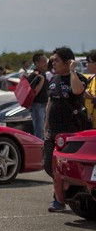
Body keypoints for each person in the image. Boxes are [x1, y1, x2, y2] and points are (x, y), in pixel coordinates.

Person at [45, 47, 87, 211]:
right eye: (52, 60)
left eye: (56, 60)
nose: (53, 63)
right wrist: (46, 125)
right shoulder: (53, 79)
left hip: (71, 130)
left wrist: (73, 71)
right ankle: (65, 192)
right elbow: (50, 103)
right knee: (49, 165)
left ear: (67, 62)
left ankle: (59, 199)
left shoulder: (77, 77)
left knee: (65, 166)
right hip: (53, 130)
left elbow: (77, 90)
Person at [27, 52, 49, 140]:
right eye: (43, 61)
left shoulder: (42, 73)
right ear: (36, 63)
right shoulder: (35, 75)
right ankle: (40, 150)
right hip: (38, 106)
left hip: (44, 105)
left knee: (44, 129)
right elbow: (34, 93)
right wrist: (42, 80)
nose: (46, 63)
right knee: (39, 131)